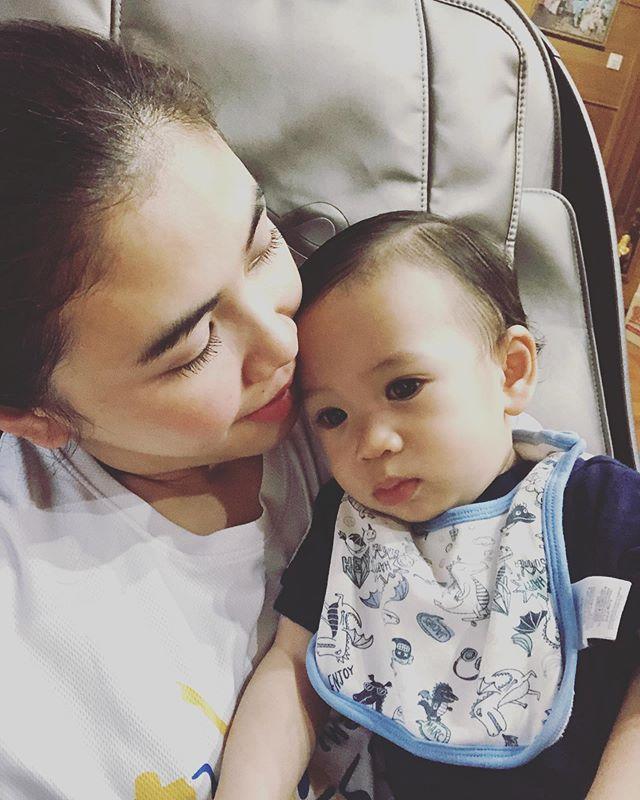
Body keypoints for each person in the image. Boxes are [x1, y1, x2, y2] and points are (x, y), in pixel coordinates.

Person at [0, 20, 390, 800]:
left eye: (262, 244)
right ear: (36, 417)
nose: (282, 341)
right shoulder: (37, 660)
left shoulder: (372, 353)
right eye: (194, 348)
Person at [215, 211, 640, 800]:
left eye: (404, 387)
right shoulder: (352, 527)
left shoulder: (601, 506)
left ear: (511, 371)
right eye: (332, 416)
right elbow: (291, 667)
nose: (372, 442)